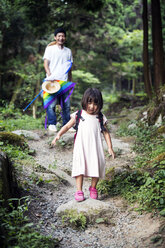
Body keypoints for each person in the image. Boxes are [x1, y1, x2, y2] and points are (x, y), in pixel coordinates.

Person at [51, 88, 115, 201]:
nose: (92, 106)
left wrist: (110, 147)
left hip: (96, 148)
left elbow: (106, 132)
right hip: (81, 148)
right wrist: (58, 135)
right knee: (79, 167)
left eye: (95, 103)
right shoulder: (79, 114)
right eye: (89, 102)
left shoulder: (100, 117)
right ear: (84, 101)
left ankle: (93, 188)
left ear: (100, 104)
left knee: (96, 166)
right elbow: (67, 126)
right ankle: (79, 190)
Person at [43, 27, 73, 132]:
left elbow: (69, 67)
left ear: (65, 38)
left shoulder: (68, 51)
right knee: (51, 104)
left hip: (64, 82)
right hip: (52, 81)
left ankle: (67, 125)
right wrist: (49, 75)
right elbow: (46, 63)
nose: (61, 38)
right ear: (55, 37)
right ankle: (52, 124)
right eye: (59, 36)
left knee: (66, 105)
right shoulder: (50, 49)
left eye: (63, 36)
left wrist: (70, 81)